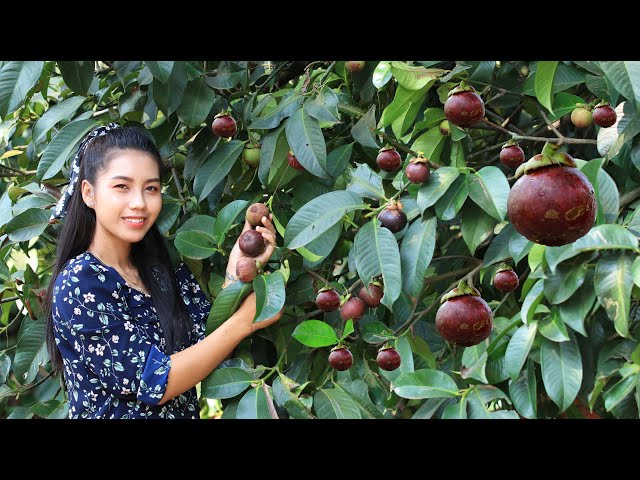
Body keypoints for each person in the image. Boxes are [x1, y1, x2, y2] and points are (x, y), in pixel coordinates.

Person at [43, 123, 282, 419]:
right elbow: (155, 381)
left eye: (151, 188)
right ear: (89, 193)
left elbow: (210, 346)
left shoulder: (162, 272)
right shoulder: (80, 282)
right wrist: (247, 320)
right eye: (122, 187)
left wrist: (236, 272)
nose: (140, 203)